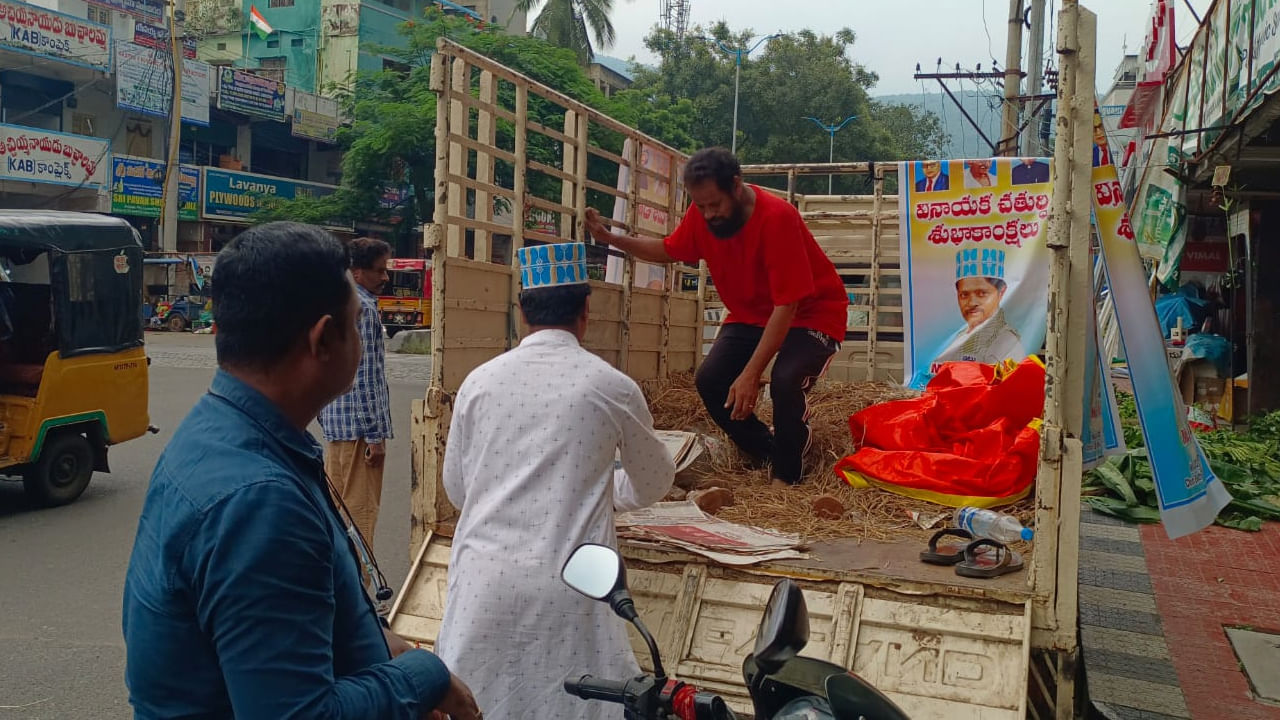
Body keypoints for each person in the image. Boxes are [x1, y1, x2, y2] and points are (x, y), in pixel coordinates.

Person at [122, 222, 480, 720]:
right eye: (357, 324)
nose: (361, 336)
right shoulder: (260, 501)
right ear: (324, 340)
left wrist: (377, 644)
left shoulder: (220, 432)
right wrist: (428, 677)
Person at [434, 241, 676, 719]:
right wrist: (606, 493)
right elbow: (653, 482)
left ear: (521, 310)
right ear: (587, 311)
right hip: (571, 586)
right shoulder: (611, 385)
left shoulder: (478, 383)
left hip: (483, 583)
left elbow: (459, 490)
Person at [584, 147, 848, 486]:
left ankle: (788, 475)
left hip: (811, 313)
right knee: (710, 380)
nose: (708, 214)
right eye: (701, 206)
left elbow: (787, 306)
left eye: (715, 205)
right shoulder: (702, 214)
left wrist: (752, 374)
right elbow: (669, 249)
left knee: (785, 379)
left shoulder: (777, 218)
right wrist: (610, 239)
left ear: (736, 186)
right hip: (749, 314)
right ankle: (770, 448)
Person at [320, 237, 393, 559]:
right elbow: (363, 377)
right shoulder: (363, 309)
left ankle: (340, 591)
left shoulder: (334, 305)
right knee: (359, 516)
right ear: (357, 272)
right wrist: (375, 436)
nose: (385, 277)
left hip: (337, 427)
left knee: (337, 514)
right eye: (379, 271)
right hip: (359, 431)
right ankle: (359, 594)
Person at [927, 247, 1025, 378]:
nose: (972, 302)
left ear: (1001, 293)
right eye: (964, 295)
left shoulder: (1007, 342)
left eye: (982, 293)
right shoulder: (958, 337)